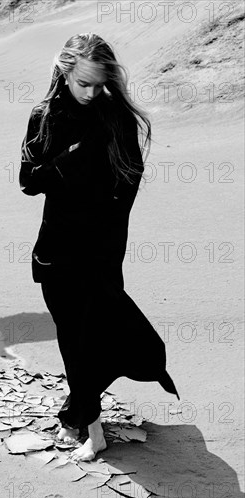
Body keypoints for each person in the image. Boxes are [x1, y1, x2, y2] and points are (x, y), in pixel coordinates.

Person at [19, 33, 179, 462]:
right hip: (55, 249)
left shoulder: (115, 118)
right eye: (83, 83)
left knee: (97, 335)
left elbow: (126, 188)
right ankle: (87, 419)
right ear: (65, 72)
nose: (92, 92)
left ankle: (83, 414)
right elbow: (28, 181)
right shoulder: (45, 116)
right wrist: (69, 162)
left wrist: (107, 245)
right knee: (74, 339)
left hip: (101, 249)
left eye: (99, 84)